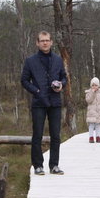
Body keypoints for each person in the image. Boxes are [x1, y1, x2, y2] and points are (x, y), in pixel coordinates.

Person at [21, 31, 67, 175]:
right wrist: (37, 91)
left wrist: (61, 85)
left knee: (56, 135)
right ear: (37, 43)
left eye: (47, 40)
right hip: (39, 102)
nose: (45, 43)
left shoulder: (58, 59)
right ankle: (38, 166)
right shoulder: (30, 61)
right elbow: (24, 80)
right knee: (37, 135)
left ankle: (54, 165)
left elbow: (64, 78)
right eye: (42, 41)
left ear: (51, 42)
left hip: (55, 102)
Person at [85, 77, 100, 143]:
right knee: (91, 125)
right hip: (91, 113)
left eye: (96, 85)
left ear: (98, 86)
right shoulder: (88, 93)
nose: (94, 87)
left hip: (99, 113)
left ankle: (98, 137)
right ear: (91, 86)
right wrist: (92, 92)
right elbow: (88, 100)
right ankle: (91, 137)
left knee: (98, 125)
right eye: (93, 85)